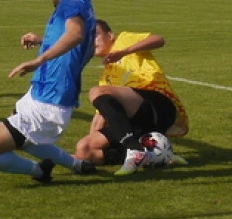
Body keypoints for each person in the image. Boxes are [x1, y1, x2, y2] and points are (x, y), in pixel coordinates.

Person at [0, 0, 96, 184]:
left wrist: (39, 60)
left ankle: (39, 171)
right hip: (45, 94)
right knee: (30, 139)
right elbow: (82, 47)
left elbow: (75, 35)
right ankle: (76, 164)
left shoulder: (70, 1)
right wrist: (41, 41)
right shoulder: (84, 5)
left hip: (48, 102)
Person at [74, 19, 189, 175]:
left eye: (95, 35)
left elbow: (158, 40)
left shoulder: (124, 39)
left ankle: (133, 149)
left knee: (95, 91)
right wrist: (86, 150)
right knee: (84, 149)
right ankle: (156, 156)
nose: (91, 42)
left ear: (110, 35)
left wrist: (125, 51)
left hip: (156, 103)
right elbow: (101, 117)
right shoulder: (106, 77)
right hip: (138, 123)